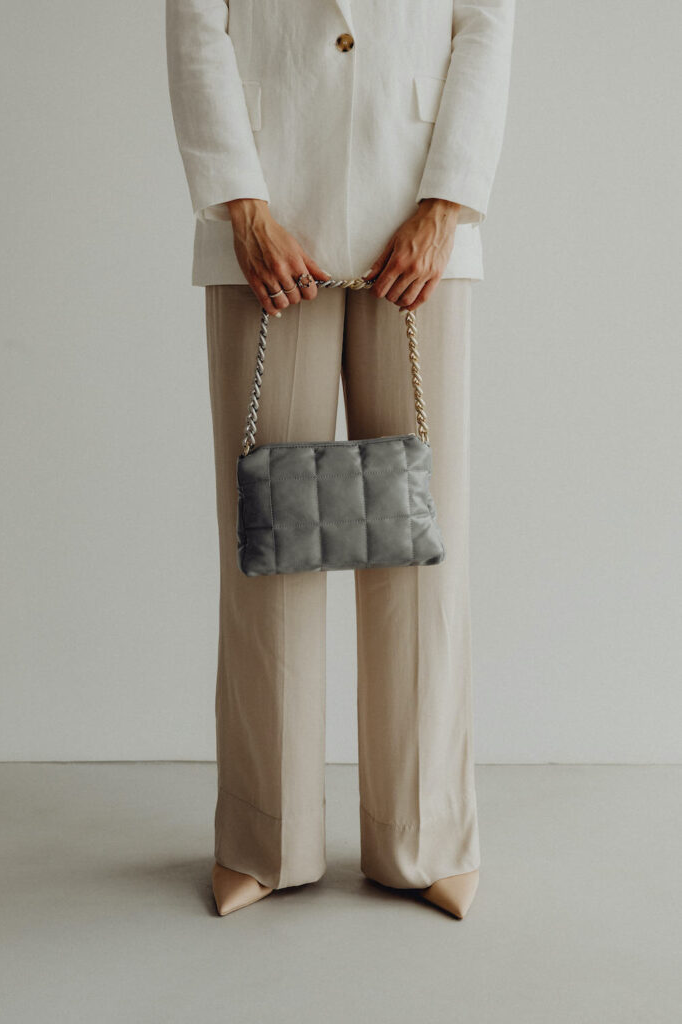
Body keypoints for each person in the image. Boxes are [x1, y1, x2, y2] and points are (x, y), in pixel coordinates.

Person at [165, 0, 514, 918]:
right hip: (264, 228)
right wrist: (241, 206)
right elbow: (196, 29)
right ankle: (264, 836)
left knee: (420, 549)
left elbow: (484, 26)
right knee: (270, 541)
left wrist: (445, 204)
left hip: (420, 223)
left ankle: (423, 835)